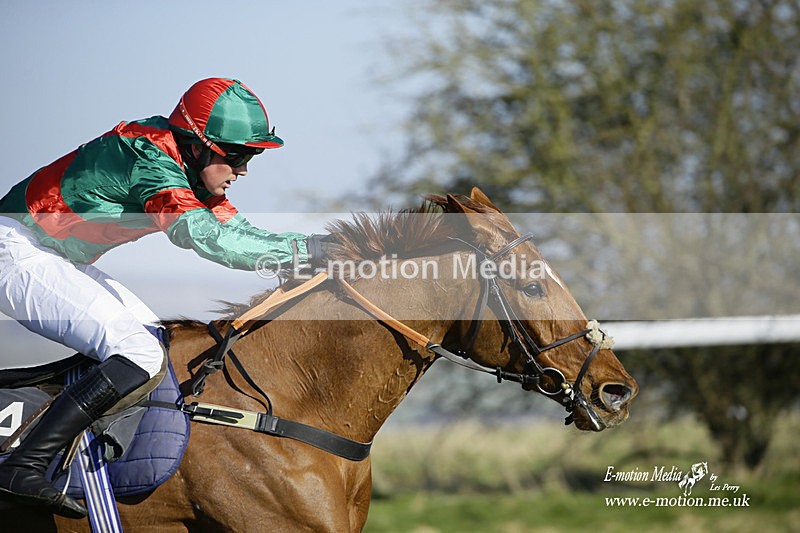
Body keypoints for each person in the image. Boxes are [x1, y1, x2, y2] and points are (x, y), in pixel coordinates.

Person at [0, 77, 330, 517]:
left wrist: (314, 248)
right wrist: (306, 252)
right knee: (137, 352)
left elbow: (237, 230)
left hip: (54, 254)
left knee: (153, 341)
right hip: (17, 250)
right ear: (198, 146)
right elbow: (208, 237)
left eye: (251, 157)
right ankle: (23, 465)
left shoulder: (184, 166)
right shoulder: (151, 159)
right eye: (236, 156)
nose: (243, 170)